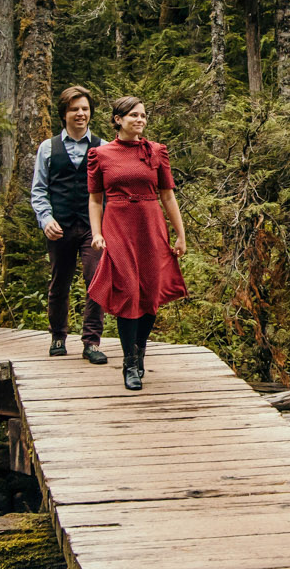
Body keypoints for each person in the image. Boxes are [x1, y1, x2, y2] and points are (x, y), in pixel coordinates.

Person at [87, 96, 188, 390]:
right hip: (118, 226)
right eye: (133, 115)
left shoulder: (156, 151)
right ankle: (129, 364)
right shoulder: (100, 155)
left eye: (143, 115)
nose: (140, 120)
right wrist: (96, 233)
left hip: (151, 225)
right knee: (128, 291)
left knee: (150, 293)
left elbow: (168, 196)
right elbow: (95, 200)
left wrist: (180, 234)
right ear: (118, 120)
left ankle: (140, 351)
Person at [29, 85, 108, 365]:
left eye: (85, 109)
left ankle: (91, 342)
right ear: (64, 114)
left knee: (96, 281)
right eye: (74, 109)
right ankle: (58, 336)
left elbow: (108, 191)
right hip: (59, 225)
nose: (80, 114)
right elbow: (39, 190)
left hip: (92, 228)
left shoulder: (102, 147)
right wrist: (46, 218)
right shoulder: (48, 148)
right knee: (59, 283)